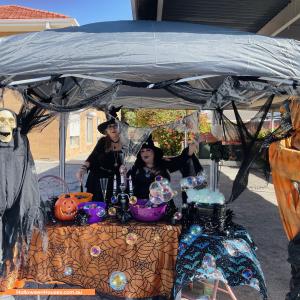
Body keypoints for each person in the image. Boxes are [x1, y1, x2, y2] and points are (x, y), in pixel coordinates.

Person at [128, 136, 201, 200]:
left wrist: (193, 145)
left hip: (163, 205)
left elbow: (182, 159)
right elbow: (128, 185)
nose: (145, 153)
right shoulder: (136, 168)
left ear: (154, 152)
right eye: (142, 151)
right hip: (142, 205)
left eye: (148, 150)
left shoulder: (163, 163)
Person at [76, 107, 123, 202]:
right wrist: (82, 169)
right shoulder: (103, 142)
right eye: (110, 127)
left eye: (115, 126)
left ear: (119, 128)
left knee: (112, 206)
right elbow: (92, 157)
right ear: (106, 131)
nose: (113, 128)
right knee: (97, 205)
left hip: (114, 180)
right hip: (97, 178)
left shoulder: (126, 143)